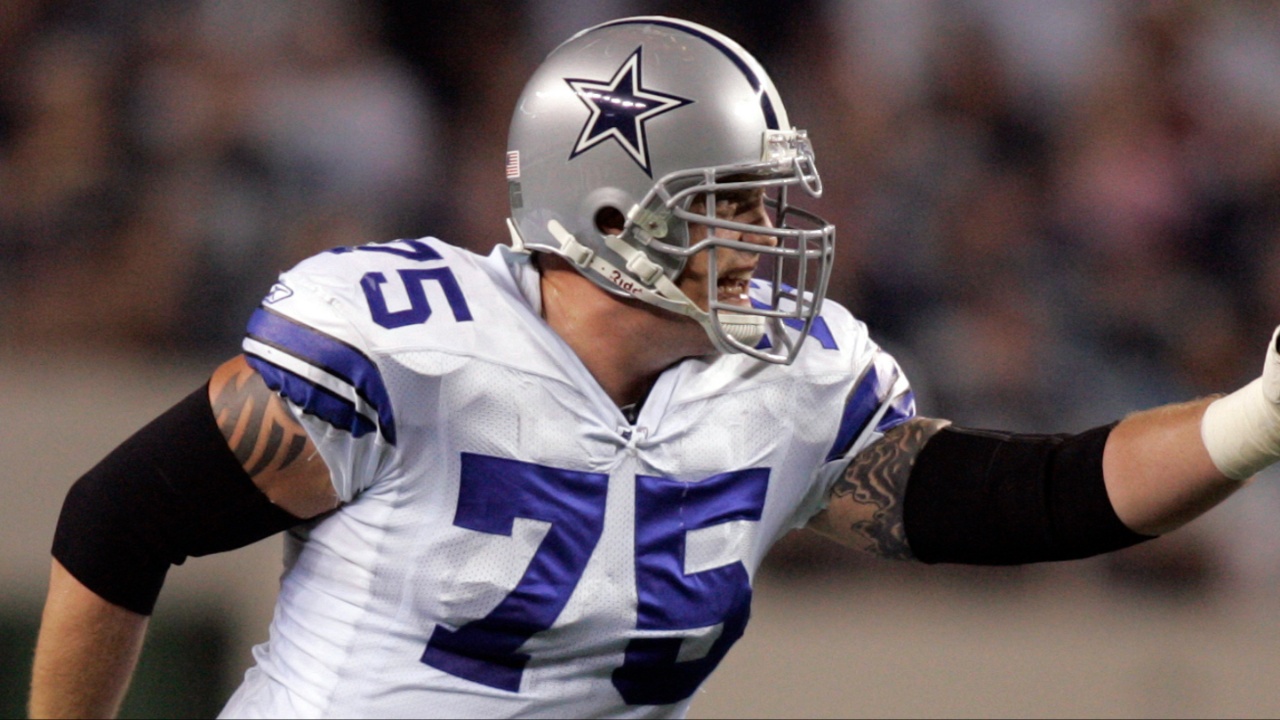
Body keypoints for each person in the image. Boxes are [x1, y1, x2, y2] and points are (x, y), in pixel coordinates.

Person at [27, 15, 1280, 719]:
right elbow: (115, 520)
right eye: (732, 203)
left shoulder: (781, 381)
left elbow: (1029, 501)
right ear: (610, 220)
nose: (769, 237)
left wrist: (1256, 417)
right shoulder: (405, 345)